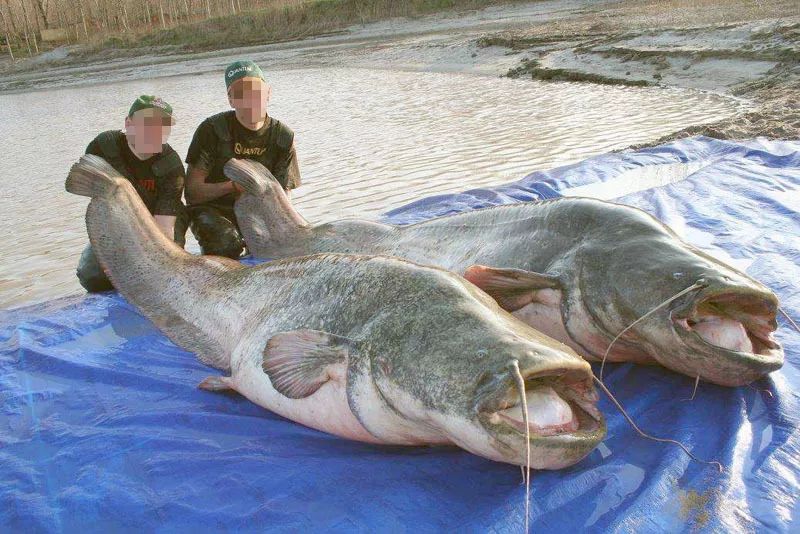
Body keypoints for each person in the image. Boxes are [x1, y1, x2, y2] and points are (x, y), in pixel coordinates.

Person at [184, 60, 301, 258]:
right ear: (231, 99)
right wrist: (232, 187)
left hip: (260, 210)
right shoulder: (211, 130)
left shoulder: (283, 136)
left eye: (257, 91)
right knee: (226, 245)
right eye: (241, 94)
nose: (251, 99)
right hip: (215, 209)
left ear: (268, 93)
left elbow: (284, 197)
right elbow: (193, 194)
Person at [76, 95, 186, 292]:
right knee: (92, 275)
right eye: (148, 123)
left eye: (162, 126)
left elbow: (165, 226)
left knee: (163, 268)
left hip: (157, 222)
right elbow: (92, 199)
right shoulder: (103, 147)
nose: (155, 132)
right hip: (117, 222)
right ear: (129, 123)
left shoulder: (171, 165)